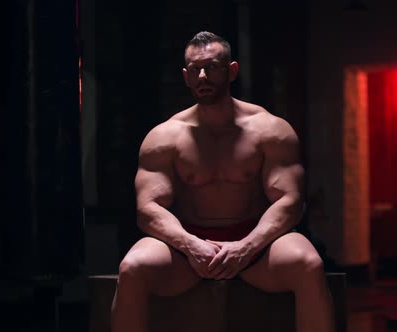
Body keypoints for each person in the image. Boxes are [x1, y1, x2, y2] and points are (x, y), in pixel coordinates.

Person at [111, 31, 335, 332]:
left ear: (231, 70)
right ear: (186, 76)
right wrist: (190, 245)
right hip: (188, 248)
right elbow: (147, 208)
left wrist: (246, 246)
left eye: (213, 66)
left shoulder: (270, 130)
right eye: (194, 70)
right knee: (133, 268)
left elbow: (290, 201)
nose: (203, 76)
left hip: (258, 246)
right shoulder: (164, 136)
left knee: (309, 263)